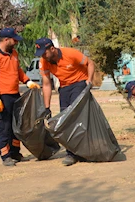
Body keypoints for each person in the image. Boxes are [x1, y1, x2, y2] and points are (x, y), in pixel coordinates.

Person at [35, 37, 96, 166]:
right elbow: (46, 84)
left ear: (52, 49)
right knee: (64, 119)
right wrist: (47, 108)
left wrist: (89, 81)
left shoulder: (70, 53)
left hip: (79, 83)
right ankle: (72, 152)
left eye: (44, 53)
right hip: (64, 88)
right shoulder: (44, 62)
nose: (43, 57)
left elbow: (90, 63)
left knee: (74, 117)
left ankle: (79, 152)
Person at [0, 28, 40, 167]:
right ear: (6, 40)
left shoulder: (14, 53)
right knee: (3, 127)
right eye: (14, 40)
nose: (16, 42)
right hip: (2, 97)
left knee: (17, 125)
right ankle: (6, 156)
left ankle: (15, 152)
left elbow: (18, 70)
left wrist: (27, 81)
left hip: (15, 95)